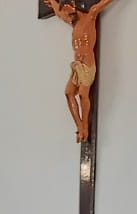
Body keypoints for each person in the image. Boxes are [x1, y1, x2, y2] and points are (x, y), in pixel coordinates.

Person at [44, 0, 119, 142]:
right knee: (69, 93)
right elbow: (59, 14)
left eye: (67, 10)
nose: (66, 15)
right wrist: (53, 2)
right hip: (77, 65)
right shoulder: (73, 23)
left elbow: (102, 4)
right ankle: (80, 125)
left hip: (87, 65)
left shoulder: (90, 16)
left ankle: (85, 125)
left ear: (72, 6)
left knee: (83, 94)